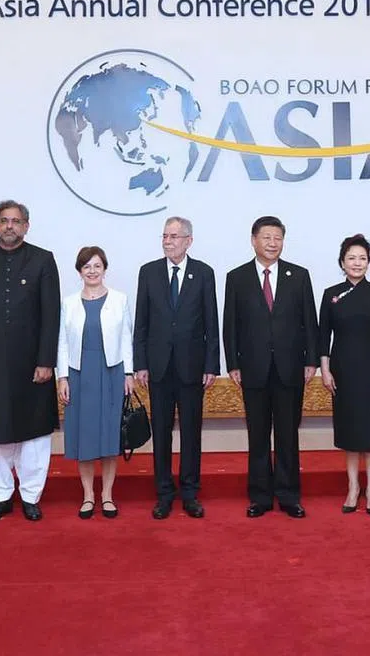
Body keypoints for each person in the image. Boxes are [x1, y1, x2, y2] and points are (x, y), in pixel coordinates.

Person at [0, 200, 60, 522]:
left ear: (26, 226)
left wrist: (46, 360)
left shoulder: (43, 260)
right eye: (4, 220)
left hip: (33, 364)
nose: (9, 226)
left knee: (34, 433)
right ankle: (0, 496)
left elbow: (51, 315)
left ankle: (31, 496)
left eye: (16, 221)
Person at [223, 215, 319, 519]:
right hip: (253, 368)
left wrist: (311, 360)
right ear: (254, 240)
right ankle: (260, 497)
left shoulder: (299, 276)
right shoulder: (237, 277)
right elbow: (230, 325)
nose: (272, 243)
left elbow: (310, 322)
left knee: (288, 434)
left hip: (291, 367)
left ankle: (289, 496)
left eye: (278, 238)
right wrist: (233, 363)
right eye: (267, 237)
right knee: (258, 435)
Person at [133, 217, 219, 520]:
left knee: (191, 431)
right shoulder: (149, 272)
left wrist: (211, 364)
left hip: (192, 366)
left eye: (174, 236)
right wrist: (140, 363)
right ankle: (164, 493)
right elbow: (141, 322)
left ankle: (190, 493)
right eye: (165, 236)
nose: (168, 241)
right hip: (158, 367)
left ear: (188, 241)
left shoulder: (204, 273)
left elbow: (211, 322)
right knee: (161, 431)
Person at [319, 234, 370, 516]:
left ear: (369, 262)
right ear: (342, 262)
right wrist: (325, 370)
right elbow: (323, 337)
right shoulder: (331, 294)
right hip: (342, 372)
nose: (357, 263)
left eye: (362, 258)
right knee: (349, 431)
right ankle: (353, 487)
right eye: (351, 258)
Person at [57, 246, 134, 520]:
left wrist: (128, 374)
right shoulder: (68, 303)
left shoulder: (119, 299)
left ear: (105, 269)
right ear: (79, 271)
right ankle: (88, 495)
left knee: (110, 436)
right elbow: (62, 342)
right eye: (86, 266)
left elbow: (126, 338)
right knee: (85, 436)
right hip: (80, 374)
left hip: (112, 371)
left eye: (97, 266)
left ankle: (107, 495)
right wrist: (62, 377)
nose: (92, 271)